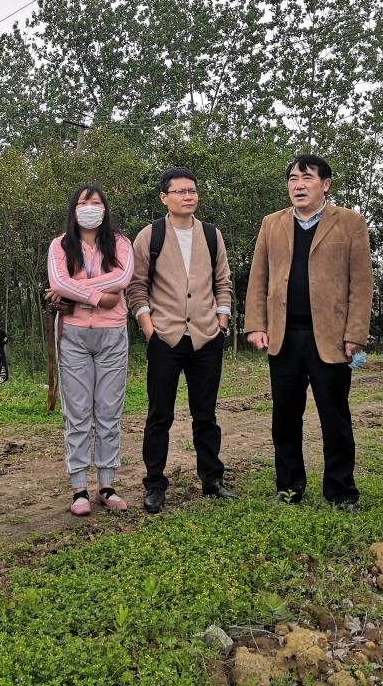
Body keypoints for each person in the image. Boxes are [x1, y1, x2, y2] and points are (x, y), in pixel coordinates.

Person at [244, 155, 373, 511]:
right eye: (292, 178)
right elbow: (259, 278)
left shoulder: (349, 223)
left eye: (307, 178)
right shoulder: (272, 223)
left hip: (331, 338)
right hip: (284, 336)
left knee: (335, 417)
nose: (298, 185)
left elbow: (361, 283)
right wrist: (256, 324)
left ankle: (341, 491)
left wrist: (355, 333)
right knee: (285, 417)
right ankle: (288, 488)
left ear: (325, 184)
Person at [127, 168, 238, 514]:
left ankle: (212, 480)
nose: (188, 197)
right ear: (164, 198)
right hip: (165, 337)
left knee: (206, 415)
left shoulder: (211, 235)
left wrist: (221, 323)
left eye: (192, 191)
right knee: (159, 415)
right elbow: (136, 286)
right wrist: (150, 330)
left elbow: (223, 282)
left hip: (206, 337)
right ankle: (155, 484)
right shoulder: (150, 236)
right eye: (180, 192)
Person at [46, 186, 134, 515]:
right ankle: (79, 487)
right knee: (78, 413)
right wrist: (99, 296)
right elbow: (57, 282)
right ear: (74, 209)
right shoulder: (60, 245)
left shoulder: (120, 243)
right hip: (73, 335)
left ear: (105, 209)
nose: (90, 207)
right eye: (84, 202)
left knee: (109, 412)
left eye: (96, 202)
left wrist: (77, 289)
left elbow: (123, 277)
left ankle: (107, 484)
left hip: (112, 334)